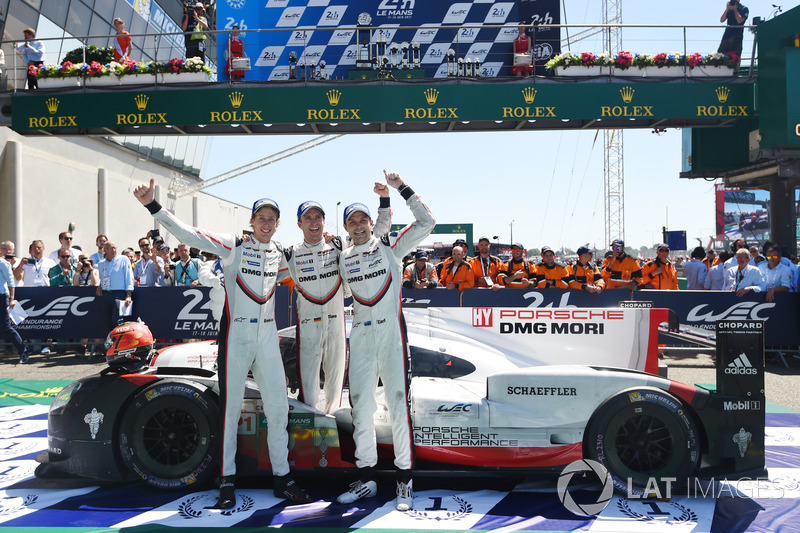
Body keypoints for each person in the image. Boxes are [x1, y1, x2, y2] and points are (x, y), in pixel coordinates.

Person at [133, 178, 311, 508]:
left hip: (268, 337)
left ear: (278, 223)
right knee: (231, 411)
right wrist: (152, 205)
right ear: (252, 221)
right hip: (237, 336)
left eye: (272, 218)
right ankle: (227, 480)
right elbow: (189, 235)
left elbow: (310, 267)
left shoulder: (279, 252)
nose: (267, 223)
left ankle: (283, 478)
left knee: (278, 408)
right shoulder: (233, 245)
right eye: (262, 218)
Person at [336, 171, 435, 512]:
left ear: (371, 222)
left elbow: (427, 222)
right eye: (353, 221)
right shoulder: (344, 258)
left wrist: (399, 189)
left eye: (364, 219)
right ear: (347, 228)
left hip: (392, 331)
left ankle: (404, 481)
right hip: (361, 332)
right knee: (361, 406)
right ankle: (366, 478)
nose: (359, 226)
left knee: (397, 404)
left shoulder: (391, 247)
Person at [282, 191, 390, 414]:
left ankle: (333, 422)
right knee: (308, 382)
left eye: (318, 217)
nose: (314, 222)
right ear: (299, 223)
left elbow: (374, 234)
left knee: (336, 379)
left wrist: (384, 202)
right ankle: (309, 421)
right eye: (308, 218)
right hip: (308, 325)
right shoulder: (291, 254)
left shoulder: (340, 244)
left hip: (336, 323)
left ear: (324, 221)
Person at [96, 241, 134, 334]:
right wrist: (99, 287)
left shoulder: (123, 259)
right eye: (110, 248)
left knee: (116, 321)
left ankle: (119, 342)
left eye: (115, 247)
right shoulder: (101, 263)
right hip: (106, 293)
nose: (113, 250)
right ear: (105, 250)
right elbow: (102, 278)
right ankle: (110, 343)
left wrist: (128, 294)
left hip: (119, 293)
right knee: (107, 320)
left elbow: (129, 277)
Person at [0, 251, 27, 363]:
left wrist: (11, 298)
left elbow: (11, 282)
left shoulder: (3, 263)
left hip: (1, 296)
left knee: (6, 327)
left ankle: (23, 351)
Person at [718, 0, 748, 70]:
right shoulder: (729, 9)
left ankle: (735, 72)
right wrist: (727, 9)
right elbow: (722, 20)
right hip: (727, 34)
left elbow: (739, 21)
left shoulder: (744, 9)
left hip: (737, 35)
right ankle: (721, 70)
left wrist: (735, 10)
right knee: (722, 53)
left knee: (736, 54)